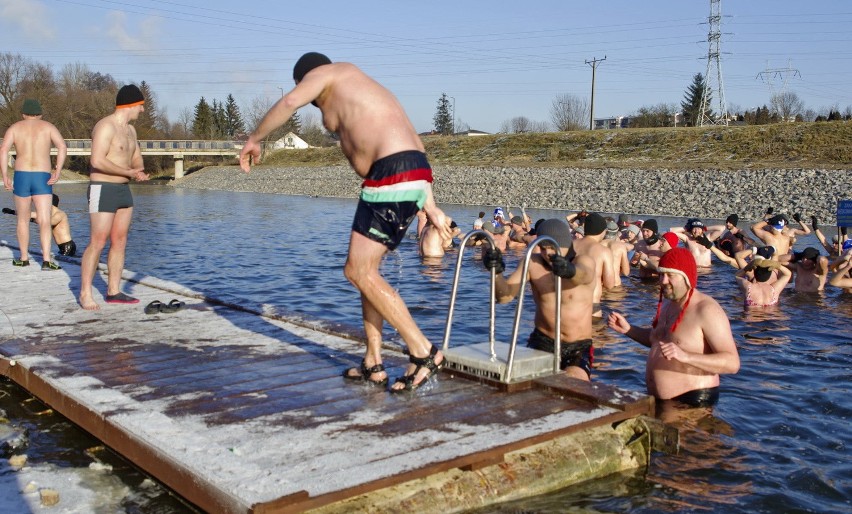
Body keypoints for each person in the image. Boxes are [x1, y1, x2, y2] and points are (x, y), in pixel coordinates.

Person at [239, 52, 452, 393]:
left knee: (358, 271)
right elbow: (415, 143)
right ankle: (373, 361)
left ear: (305, 78)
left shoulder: (327, 74)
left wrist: (254, 138)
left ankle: (424, 351)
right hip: (407, 170)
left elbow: (291, 101)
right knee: (367, 271)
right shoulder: (363, 85)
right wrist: (431, 204)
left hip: (391, 174)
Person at [607, 248, 740, 407]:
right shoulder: (669, 305)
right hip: (662, 401)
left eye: (670, 275)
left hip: (692, 403)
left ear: (687, 278)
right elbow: (659, 342)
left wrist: (686, 357)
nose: (663, 281)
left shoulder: (706, 310)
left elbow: (732, 363)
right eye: (662, 275)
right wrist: (629, 330)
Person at [482, 219, 597, 380]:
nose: (548, 253)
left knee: (574, 381)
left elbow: (584, 275)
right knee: (522, 382)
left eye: (552, 247)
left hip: (577, 346)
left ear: (566, 245)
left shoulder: (583, 261)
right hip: (542, 340)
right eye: (543, 248)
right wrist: (495, 271)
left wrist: (569, 270)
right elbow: (504, 297)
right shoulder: (532, 262)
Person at [78, 85, 150, 310]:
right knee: (98, 241)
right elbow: (97, 161)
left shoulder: (131, 131)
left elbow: (135, 157)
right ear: (130, 104)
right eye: (141, 105)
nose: (143, 110)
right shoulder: (105, 126)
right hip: (103, 187)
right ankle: (85, 293)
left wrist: (138, 170)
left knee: (120, 241)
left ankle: (114, 290)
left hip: (123, 190)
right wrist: (128, 172)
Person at [0, 99, 67, 270]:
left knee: (22, 219)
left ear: (23, 114)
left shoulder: (15, 128)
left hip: (21, 176)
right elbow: (62, 147)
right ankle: (46, 260)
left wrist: (5, 176)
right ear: (40, 114)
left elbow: (3, 150)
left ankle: (23, 258)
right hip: (42, 176)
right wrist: (57, 171)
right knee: (44, 220)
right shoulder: (48, 127)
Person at [570, 212, 615, 317]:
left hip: (569, 303)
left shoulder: (571, 244)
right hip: (591, 305)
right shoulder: (604, 251)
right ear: (602, 231)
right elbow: (609, 284)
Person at [2, 193, 76, 256]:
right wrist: (11, 212)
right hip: (62, 246)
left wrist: (32, 219)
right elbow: (29, 214)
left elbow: (48, 222)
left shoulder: (60, 214)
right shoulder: (47, 214)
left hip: (68, 246)